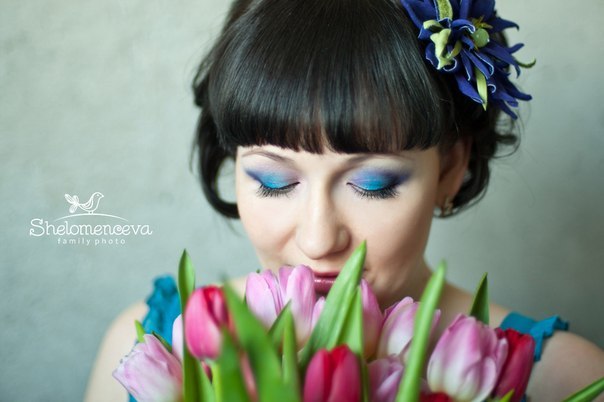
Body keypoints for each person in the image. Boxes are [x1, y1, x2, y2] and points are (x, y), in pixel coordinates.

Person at [85, 0, 604, 400]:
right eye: (273, 181)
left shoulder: (559, 379)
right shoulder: (149, 357)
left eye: (372, 185)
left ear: (451, 168)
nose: (318, 240)